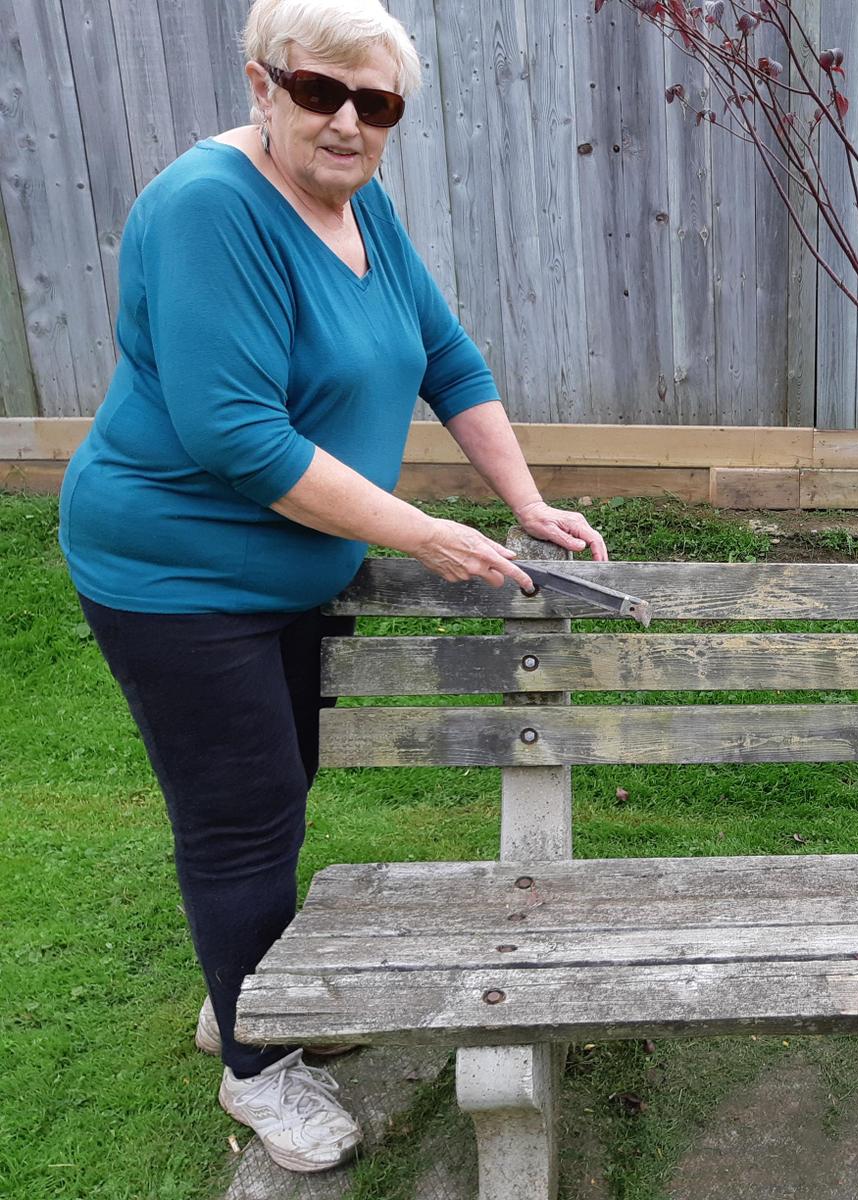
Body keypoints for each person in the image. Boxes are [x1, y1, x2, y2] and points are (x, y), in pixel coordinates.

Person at [57, 0, 606, 1173]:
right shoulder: (208, 210)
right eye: (323, 93)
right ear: (264, 84)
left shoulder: (361, 208)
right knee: (243, 810)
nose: (350, 123)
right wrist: (424, 534)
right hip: (175, 570)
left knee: (279, 785)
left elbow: (447, 358)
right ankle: (257, 1066)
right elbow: (236, 438)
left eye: (379, 105)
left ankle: (240, 985)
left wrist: (519, 499)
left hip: (294, 568)